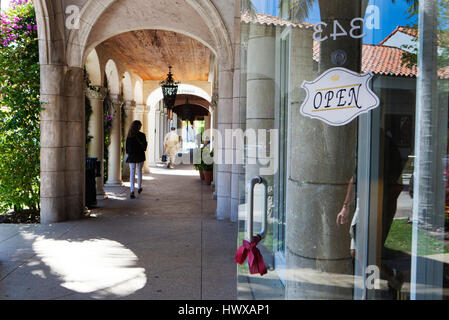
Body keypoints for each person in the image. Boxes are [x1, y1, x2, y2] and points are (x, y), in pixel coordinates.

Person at [126, 120, 147, 199]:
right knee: (139, 171)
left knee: (132, 173)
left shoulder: (129, 135)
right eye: (140, 125)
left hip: (132, 156)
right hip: (140, 155)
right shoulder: (142, 135)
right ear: (138, 126)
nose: (141, 127)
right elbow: (144, 147)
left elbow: (127, 149)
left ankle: (132, 190)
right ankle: (139, 187)